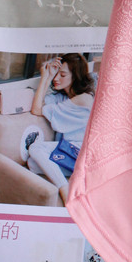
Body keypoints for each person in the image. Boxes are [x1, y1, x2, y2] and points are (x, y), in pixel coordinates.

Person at [28, 53, 95, 204]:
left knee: (36, 148)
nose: (56, 78)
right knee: (32, 163)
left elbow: (37, 110)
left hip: (84, 153)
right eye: (56, 74)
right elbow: (38, 104)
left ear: (76, 77)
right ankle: (77, 178)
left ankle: (65, 189)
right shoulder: (64, 97)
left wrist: (45, 78)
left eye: (62, 75)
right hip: (70, 151)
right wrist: (46, 77)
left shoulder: (83, 98)